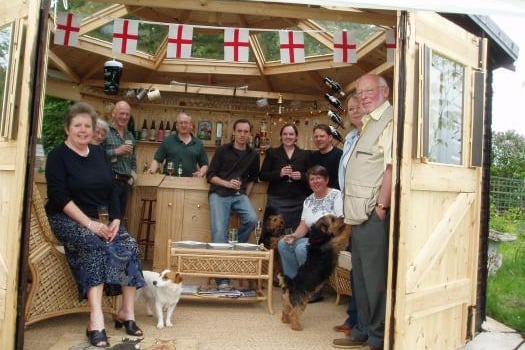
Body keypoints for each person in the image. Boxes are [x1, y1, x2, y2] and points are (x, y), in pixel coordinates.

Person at [45, 102, 145, 348]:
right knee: (94, 245)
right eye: (77, 125)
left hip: (99, 219)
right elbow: (60, 197)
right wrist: (90, 225)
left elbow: (112, 189)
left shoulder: (98, 153)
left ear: (93, 130)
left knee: (129, 244)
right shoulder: (58, 157)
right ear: (67, 128)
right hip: (67, 218)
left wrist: (116, 220)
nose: (82, 130)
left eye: (87, 126)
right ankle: (96, 319)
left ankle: (127, 313)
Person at [333, 74, 393, 350]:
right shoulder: (368, 122)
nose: (363, 96)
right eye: (360, 92)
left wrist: (381, 206)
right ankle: (362, 331)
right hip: (358, 214)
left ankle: (377, 337)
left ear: (385, 91)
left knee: (374, 277)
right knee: (361, 276)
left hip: (372, 212)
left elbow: (391, 168)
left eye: (369, 91)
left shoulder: (389, 120)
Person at [206, 118, 260, 290]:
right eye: (240, 131)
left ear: (250, 134)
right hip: (219, 193)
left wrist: (245, 195)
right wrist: (227, 183)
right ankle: (222, 280)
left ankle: (231, 245)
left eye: (246, 131)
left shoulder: (253, 155)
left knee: (252, 219)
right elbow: (210, 176)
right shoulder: (222, 150)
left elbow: (252, 178)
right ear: (234, 132)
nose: (243, 134)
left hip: (239, 195)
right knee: (219, 231)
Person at [277, 165, 343, 283]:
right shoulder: (308, 200)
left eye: (318, 178)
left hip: (331, 240)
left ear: (326, 180)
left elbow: (340, 221)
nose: (315, 182)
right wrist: (294, 236)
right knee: (284, 243)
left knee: (302, 248)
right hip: (314, 239)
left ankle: (311, 286)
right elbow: (304, 224)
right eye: (312, 179)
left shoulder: (336, 195)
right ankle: (294, 282)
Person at [333, 95, 365, 334]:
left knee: (363, 269)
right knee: (355, 266)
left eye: (359, 107)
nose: (354, 111)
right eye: (351, 109)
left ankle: (360, 321)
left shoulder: (372, 136)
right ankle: (353, 317)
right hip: (350, 208)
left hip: (366, 209)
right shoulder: (351, 137)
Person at [259, 123, 311, 245]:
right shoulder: (272, 153)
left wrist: (302, 176)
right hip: (276, 199)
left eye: (291, 134)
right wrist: (279, 173)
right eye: (285, 134)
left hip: (298, 201)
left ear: (296, 137)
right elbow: (262, 175)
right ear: (281, 136)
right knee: (273, 232)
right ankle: (269, 260)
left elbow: (311, 176)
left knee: (294, 234)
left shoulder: (305, 154)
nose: (288, 136)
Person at [148, 112, 209, 177]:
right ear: (176, 126)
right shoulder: (168, 140)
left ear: (191, 125)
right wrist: (151, 171)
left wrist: (201, 173)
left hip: (191, 183)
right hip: (169, 182)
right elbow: (157, 160)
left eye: (186, 122)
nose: (183, 125)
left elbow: (204, 164)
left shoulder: (198, 143)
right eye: (181, 123)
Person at [104, 101, 136, 217]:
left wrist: (133, 177)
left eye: (127, 114)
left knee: (119, 218)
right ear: (113, 114)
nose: (124, 117)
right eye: (121, 113)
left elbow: (133, 160)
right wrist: (116, 151)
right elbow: (96, 156)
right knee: (108, 217)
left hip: (125, 183)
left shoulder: (130, 136)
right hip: (110, 181)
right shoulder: (105, 132)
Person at [310, 124, 343, 190]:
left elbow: (341, 179)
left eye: (322, 136)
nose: (318, 139)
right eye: (316, 137)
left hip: (335, 196)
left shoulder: (340, 155)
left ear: (330, 137)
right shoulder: (313, 157)